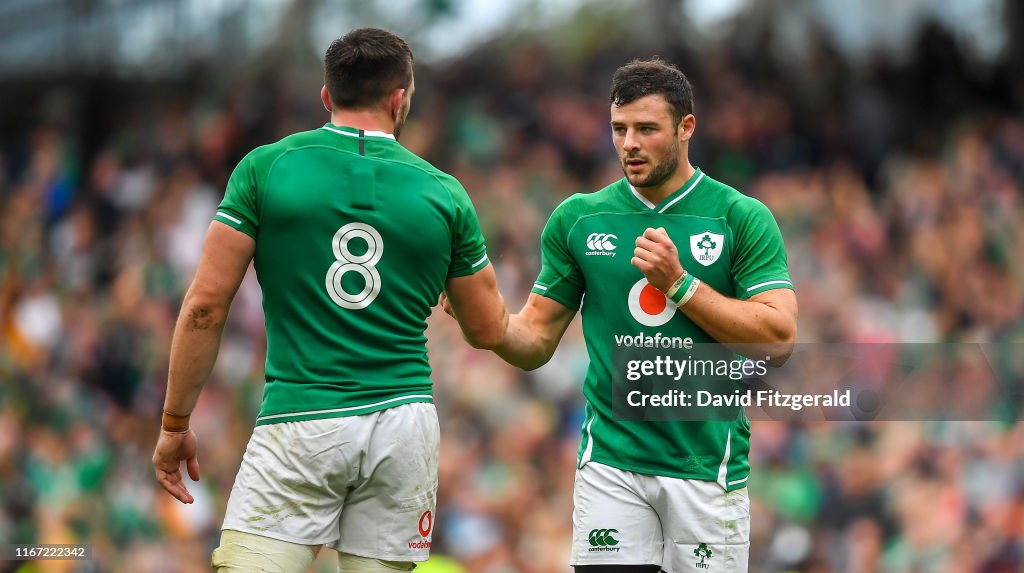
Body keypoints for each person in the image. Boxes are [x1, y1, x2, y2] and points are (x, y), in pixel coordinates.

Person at [151, 28, 507, 573]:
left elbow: (204, 307)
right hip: (404, 424)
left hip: (302, 418)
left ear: (326, 96)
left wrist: (176, 424)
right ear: (399, 97)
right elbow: (487, 329)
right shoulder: (444, 191)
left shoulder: (266, 168)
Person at [445, 58, 797, 572]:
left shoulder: (739, 216)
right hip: (611, 464)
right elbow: (536, 339)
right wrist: (489, 326)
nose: (629, 143)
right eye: (619, 129)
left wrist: (680, 285)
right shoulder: (578, 219)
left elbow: (779, 338)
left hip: (705, 465)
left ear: (686, 128)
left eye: (647, 129)